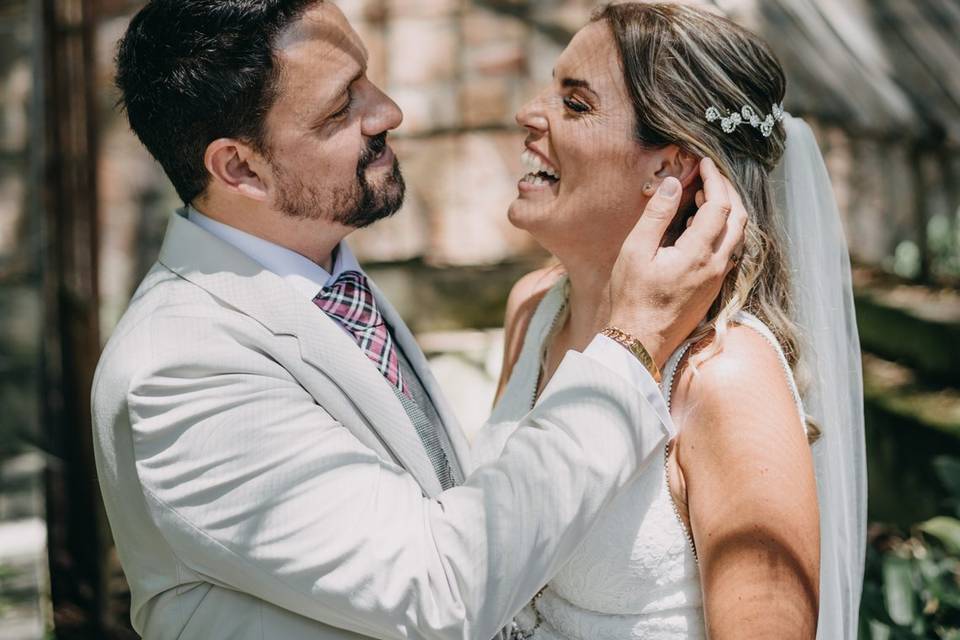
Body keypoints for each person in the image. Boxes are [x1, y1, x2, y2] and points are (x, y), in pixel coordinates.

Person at [91, 1, 748, 638]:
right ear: (241, 167)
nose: (389, 112)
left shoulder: (319, 273)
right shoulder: (183, 367)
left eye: (367, 78)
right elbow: (441, 588)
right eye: (341, 106)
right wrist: (631, 340)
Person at [477, 3, 866, 639]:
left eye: (575, 104)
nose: (529, 112)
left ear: (669, 168)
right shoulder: (534, 309)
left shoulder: (723, 377)